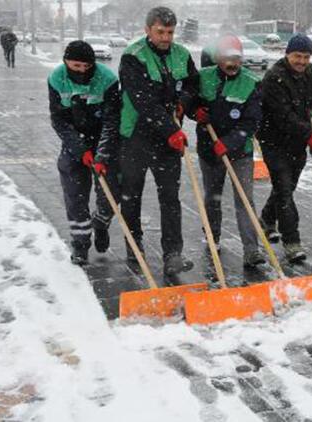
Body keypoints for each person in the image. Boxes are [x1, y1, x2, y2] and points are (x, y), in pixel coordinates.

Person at [118, 6, 200, 281]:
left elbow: (192, 85)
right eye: (160, 32)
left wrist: (184, 104)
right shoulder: (133, 57)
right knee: (132, 194)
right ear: (147, 30)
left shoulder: (182, 55)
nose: (166, 38)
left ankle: (172, 254)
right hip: (136, 136)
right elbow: (143, 101)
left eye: (170, 32)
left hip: (168, 140)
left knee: (170, 197)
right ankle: (133, 244)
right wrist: (169, 129)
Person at [47, 41, 121, 265]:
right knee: (75, 195)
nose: (81, 70)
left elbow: (112, 120)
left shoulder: (107, 79)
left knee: (111, 193)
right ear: (66, 62)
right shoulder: (57, 79)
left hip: (103, 140)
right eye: (76, 66)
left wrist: (102, 154)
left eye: (86, 66)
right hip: (74, 143)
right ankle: (80, 244)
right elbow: (58, 119)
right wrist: (80, 150)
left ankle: (101, 223)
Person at [195, 35, 265, 268]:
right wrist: (195, 111)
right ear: (218, 58)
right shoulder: (203, 78)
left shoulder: (251, 82)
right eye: (227, 58)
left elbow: (252, 121)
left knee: (244, 200)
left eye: (237, 58)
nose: (233, 63)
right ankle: (212, 238)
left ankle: (251, 249)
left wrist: (231, 141)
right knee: (212, 197)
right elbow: (187, 101)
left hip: (240, 152)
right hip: (209, 149)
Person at [257, 33, 312, 263]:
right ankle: (292, 241)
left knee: (287, 187)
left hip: (297, 141)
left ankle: (266, 218)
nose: (302, 62)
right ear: (287, 54)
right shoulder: (275, 77)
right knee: (284, 190)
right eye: (297, 56)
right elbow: (283, 115)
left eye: (306, 57)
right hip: (273, 139)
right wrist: (310, 134)